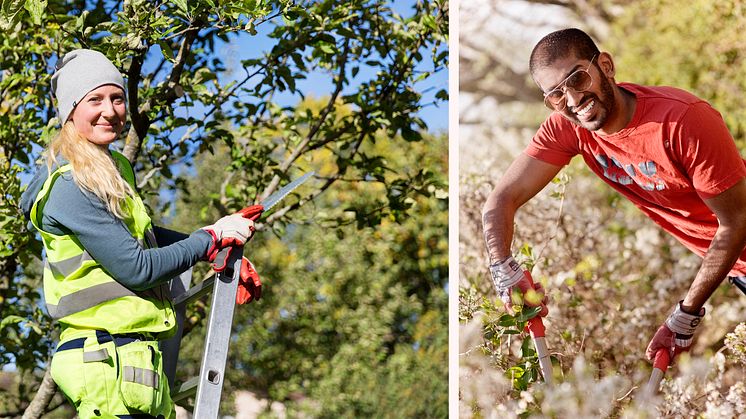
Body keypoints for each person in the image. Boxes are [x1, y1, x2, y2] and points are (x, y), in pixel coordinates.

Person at [481, 28, 746, 367]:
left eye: (577, 79)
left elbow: (736, 222)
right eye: (556, 96)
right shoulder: (569, 128)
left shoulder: (681, 120)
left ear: (605, 66)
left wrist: (686, 314)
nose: (573, 100)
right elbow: (501, 200)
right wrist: (503, 269)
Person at [20, 49, 261, 419]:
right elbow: (137, 268)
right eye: (95, 99)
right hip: (103, 357)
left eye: (117, 98)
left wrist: (214, 243)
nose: (110, 110)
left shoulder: (112, 167)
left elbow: (145, 237)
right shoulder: (71, 184)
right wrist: (208, 239)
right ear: (70, 110)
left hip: (131, 356)